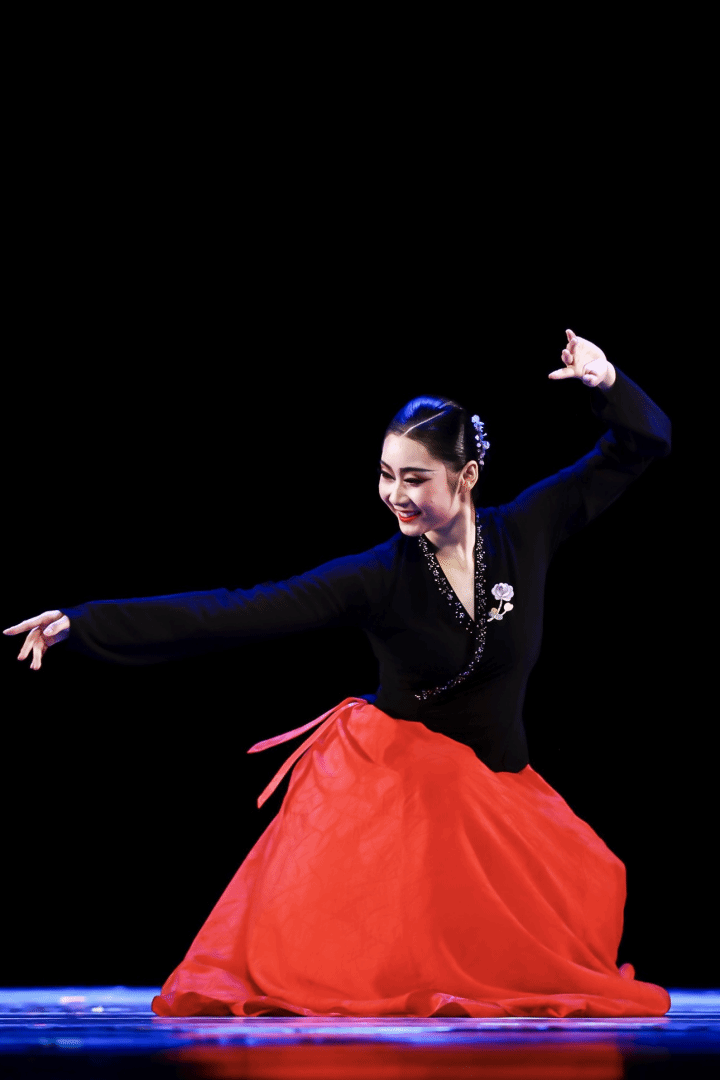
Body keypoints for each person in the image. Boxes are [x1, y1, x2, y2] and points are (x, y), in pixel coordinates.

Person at [4, 330, 672, 1019]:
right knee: (393, 961)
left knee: (574, 905)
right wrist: (86, 622)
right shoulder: (379, 576)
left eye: (415, 478)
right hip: (405, 795)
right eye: (386, 475)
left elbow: (644, 443)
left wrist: (606, 380)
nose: (394, 495)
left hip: (500, 794)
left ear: (467, 476)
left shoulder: (525, 530)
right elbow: (237, 611)